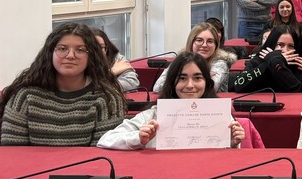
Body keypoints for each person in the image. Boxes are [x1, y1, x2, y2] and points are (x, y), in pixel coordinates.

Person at [0, 23, 127, 146]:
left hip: (86, 163)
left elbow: (102, 155)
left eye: (80, 50)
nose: (70, 56)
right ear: (50, 53)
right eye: (62, 49)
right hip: (33, 163)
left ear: (91, 56)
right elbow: (14, 153)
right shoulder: (24, 96)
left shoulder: (107, 98)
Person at [98, 52, 244, 150]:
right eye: (182, 78)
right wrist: (139, 138)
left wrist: (232, 144)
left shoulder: (220, 115)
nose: (190, 85)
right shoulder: (154, 115)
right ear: (172, 82)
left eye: (197, 78)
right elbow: (106, 139)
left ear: (207, 82)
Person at [153, 23, 238, 94]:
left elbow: (210, 89)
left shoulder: (220, 63)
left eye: (210, 41)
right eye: (199, 40)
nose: (204, 45)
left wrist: (178, 79)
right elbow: (157, 88)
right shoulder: (181, 59)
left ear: (215, 45)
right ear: (191, 42)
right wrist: (205, 76)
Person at [232, 26, 302, 93]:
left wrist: (276, 62)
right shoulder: (258, 60)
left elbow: (299, 90)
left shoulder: (298, 64)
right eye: (280, 45)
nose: (285, 50)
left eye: (291, 46)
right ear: (272, 44)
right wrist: (269, 62)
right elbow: (238, 85)